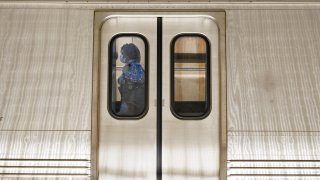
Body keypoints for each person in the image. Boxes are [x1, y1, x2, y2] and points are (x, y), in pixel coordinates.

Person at [117, 43, 145, 116]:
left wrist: (119, 79)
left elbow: (134, 79)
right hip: (135, 101)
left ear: (127, 56)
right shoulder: (137, 66)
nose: (120, 56)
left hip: (131, 102)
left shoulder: (129, 67)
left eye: (122, 53)